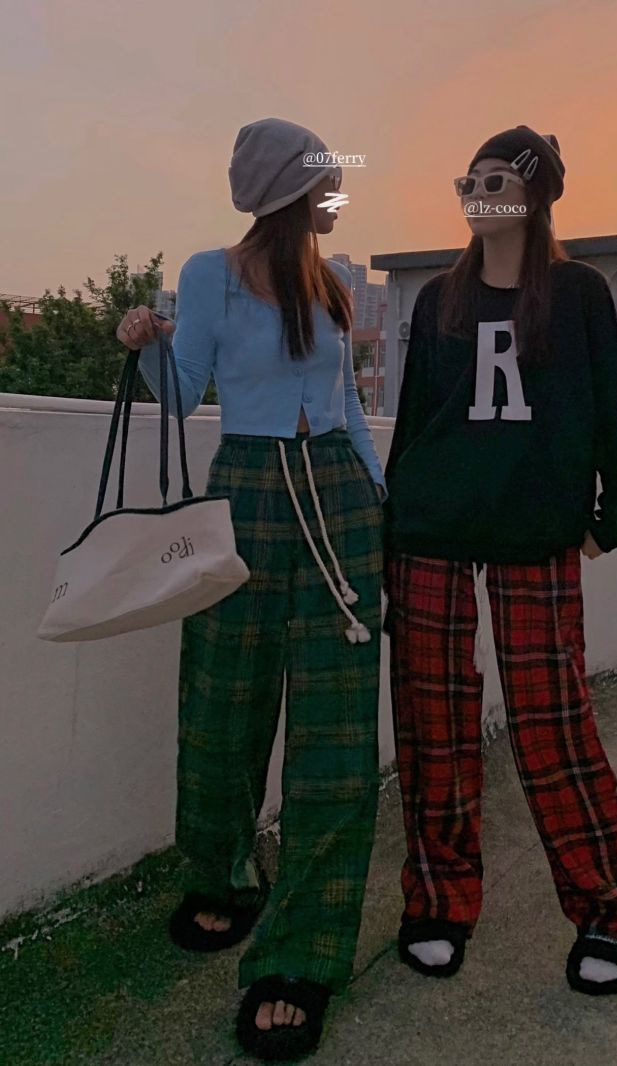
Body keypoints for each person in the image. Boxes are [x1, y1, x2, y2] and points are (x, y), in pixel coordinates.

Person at [116, 117, 386, 1061]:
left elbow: (349, 407)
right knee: (222, 701)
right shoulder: (209, 275)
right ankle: (223, 873)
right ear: (286, 193)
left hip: (337, 498)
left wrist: (376, 499)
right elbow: (184, 393)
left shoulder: (333, 280)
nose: (333, 197)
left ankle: (300, 956)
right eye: (322, 182)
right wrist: (145, 343)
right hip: (247, 490)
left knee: (336, 733)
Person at [383, 125, 617, 996]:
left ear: (536, 194)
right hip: (432, 533)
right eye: (467, 180)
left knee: (554, 727)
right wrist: (394, 526)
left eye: (496, 179)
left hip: (536, 534)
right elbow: (416, 418)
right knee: (433, 724)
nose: (476, 193)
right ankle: (438, 900)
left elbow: (613, 404)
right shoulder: (439, 299)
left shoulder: (577, 294)